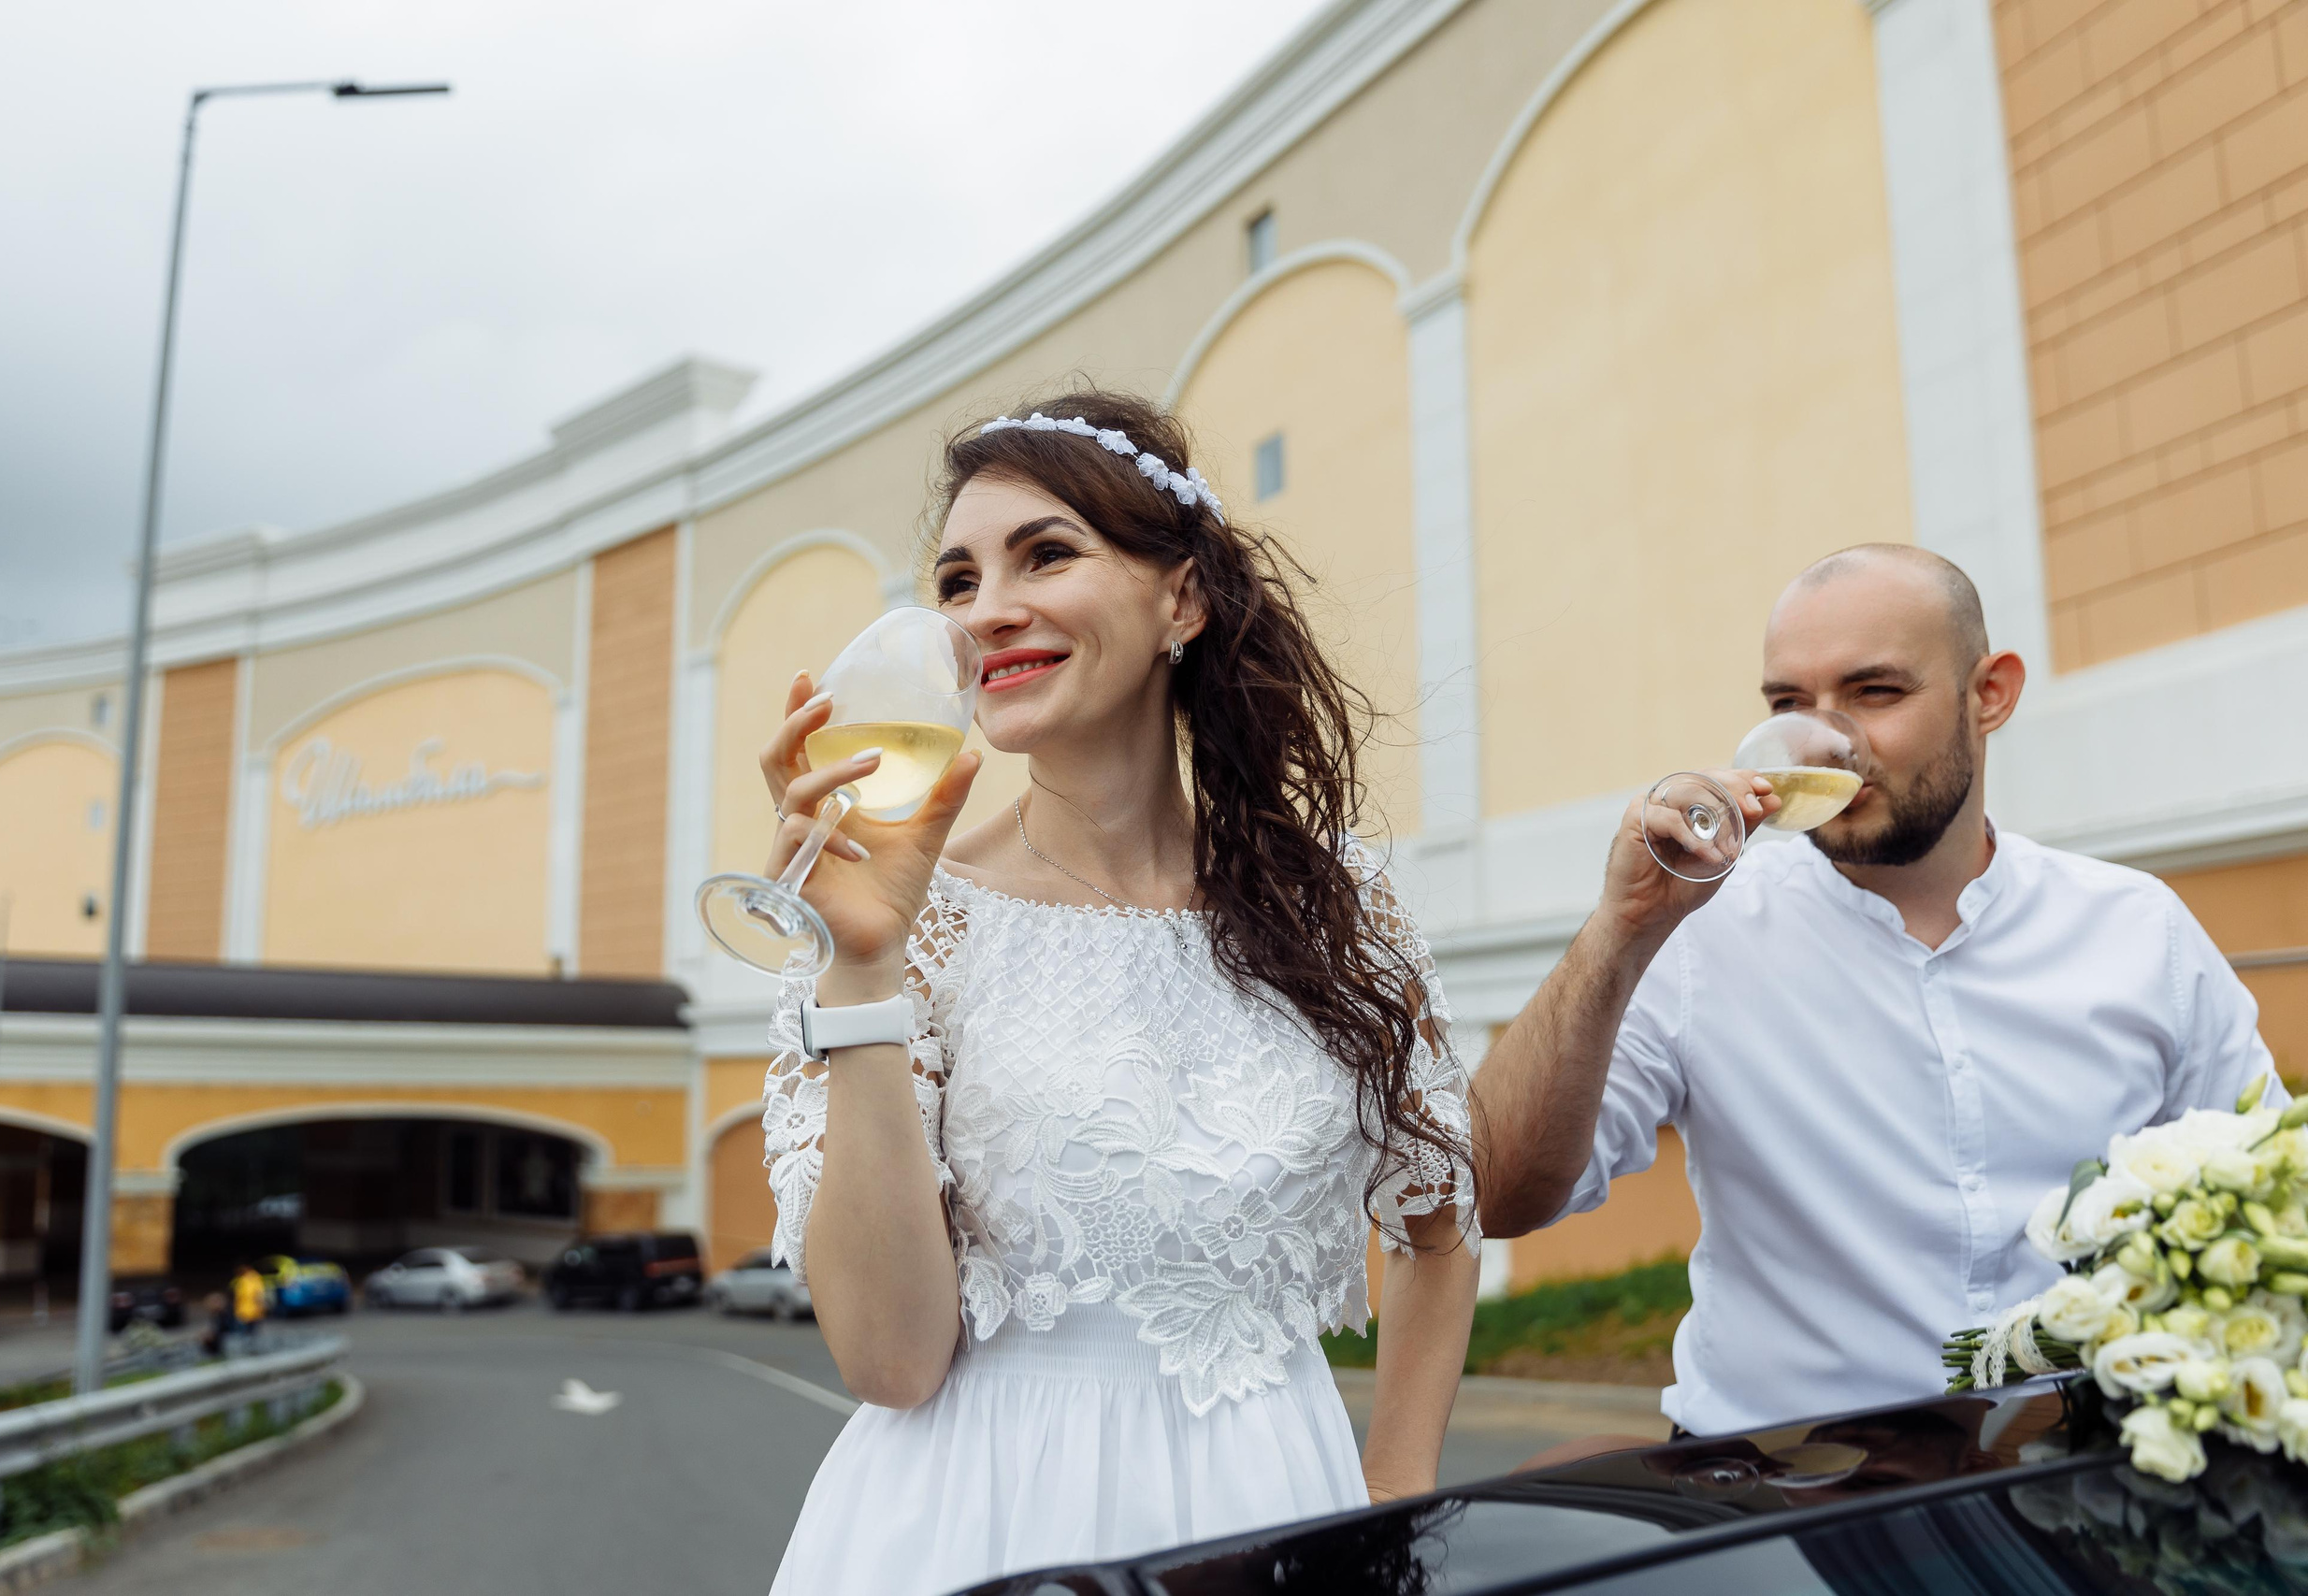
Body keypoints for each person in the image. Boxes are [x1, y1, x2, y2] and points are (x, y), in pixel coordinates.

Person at [755, 391, 1479, 1595]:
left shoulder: (1337, 905)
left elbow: (1440, 1222)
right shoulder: (895, 922)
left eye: (1046, 554)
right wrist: (866, 966)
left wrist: (1390, 1506)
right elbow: (889, 1362)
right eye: (956, 580)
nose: (989, 610)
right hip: (973, 1527)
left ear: (1180, 600)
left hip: (1279, 1512)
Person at [1472, 544, 2281, 1438]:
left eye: (1875, 692)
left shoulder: (2139, 931)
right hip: (1780, 1504)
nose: (1824, 742)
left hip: (2075, 1491)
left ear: (1990, 694)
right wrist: (1616, 932)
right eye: (1788, 704)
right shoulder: (1696, 932)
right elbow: (1500, 1192)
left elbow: (2272, 1206)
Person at [227, 1259, 267, 1356]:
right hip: (243, 1311)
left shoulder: (254, 1278)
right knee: (245, 1332)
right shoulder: (242, 1279)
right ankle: (248, 1349)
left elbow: (258, 1294)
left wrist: (261, 1307)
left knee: (251, 1332)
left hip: (253, 1311)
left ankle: (252, 1350)